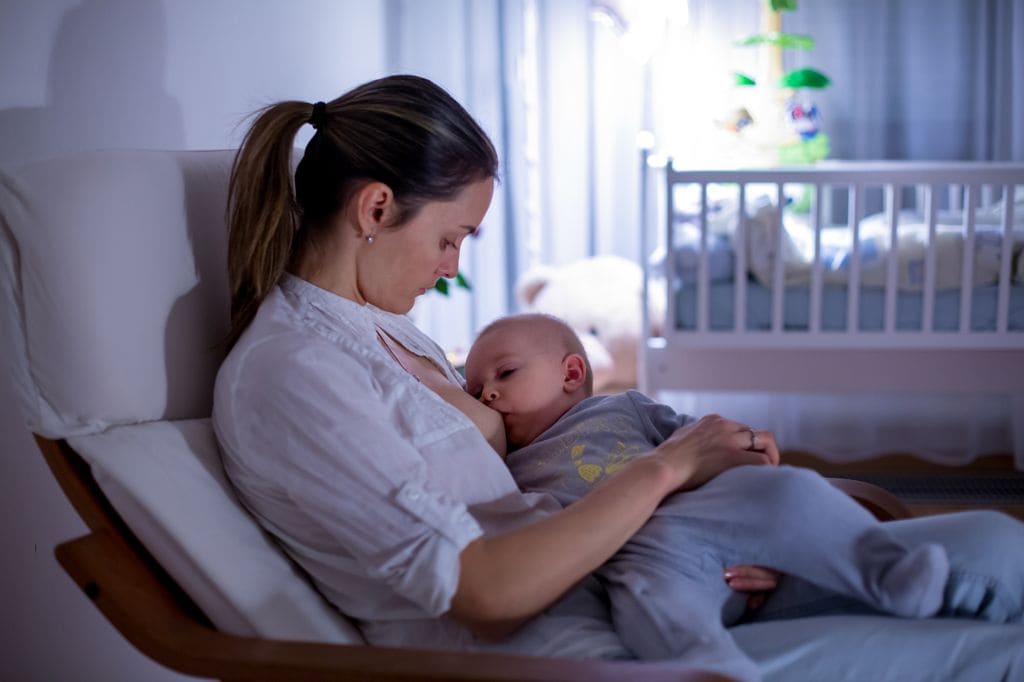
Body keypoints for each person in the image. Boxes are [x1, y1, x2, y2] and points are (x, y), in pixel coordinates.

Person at [212, 74, 1024, 682]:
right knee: (998, 651)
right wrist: (668, 469)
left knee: (999, 543)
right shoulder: (295, 374)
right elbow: (485, 590)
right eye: (452, 239)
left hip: (643, 569)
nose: (451, 268)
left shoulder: (391, 331)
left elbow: (545, 468)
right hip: (588, 648)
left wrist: (730, 534)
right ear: (377, 209)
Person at [462, 312, 955, 678]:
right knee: (647, 604)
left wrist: (751, 454)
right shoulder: (510, 466)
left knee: (792, 491)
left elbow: (707, 440)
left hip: (705, 510)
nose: (487, 395)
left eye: (504, 374)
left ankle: (889, 571)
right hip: (639, 553)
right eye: (476, 388)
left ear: (571, 374)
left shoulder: (623, 408)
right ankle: (710, 666)